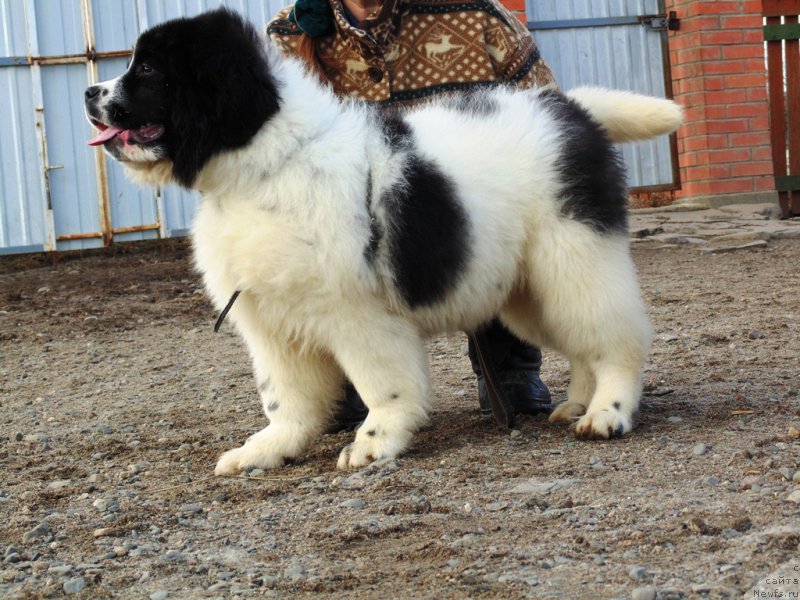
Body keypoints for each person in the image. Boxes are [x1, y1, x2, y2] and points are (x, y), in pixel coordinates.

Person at [267, 0, 556, 429]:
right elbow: (267, 148)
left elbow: (546, 116)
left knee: (504, 211)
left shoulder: (477, 13)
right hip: (353, 228)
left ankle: (511, 365)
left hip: (472, 210)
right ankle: (346, 374)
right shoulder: (289, 35)